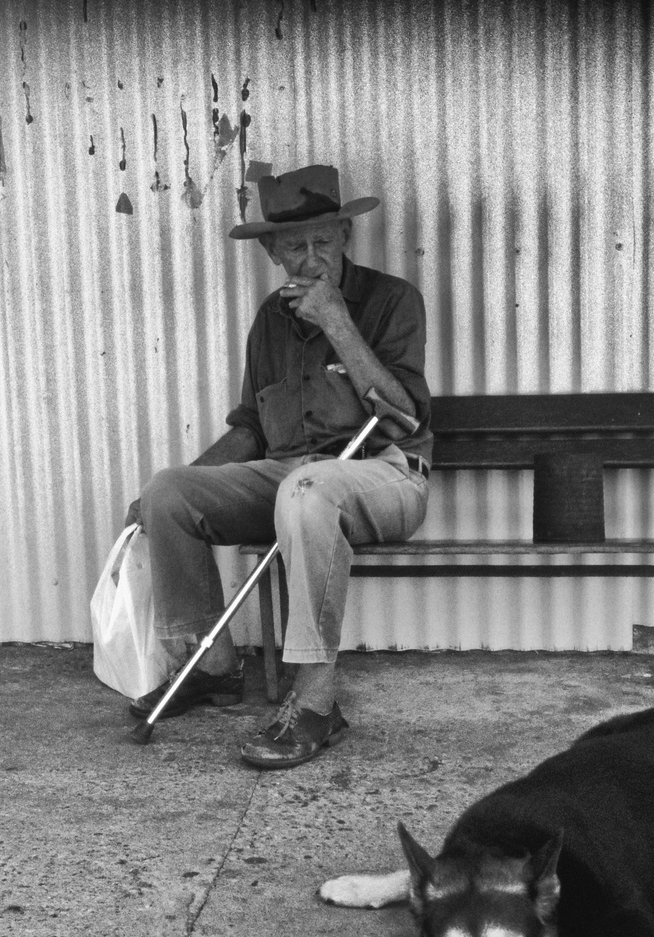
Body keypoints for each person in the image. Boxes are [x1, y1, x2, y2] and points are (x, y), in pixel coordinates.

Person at [125, 164, 433, 770]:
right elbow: (252, 429)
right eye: (295, 245)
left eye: (324, 239)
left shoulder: (393, 299)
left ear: (346, 235)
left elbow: (403, 418)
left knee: (307, 488)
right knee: (168, 492)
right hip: (293, 474)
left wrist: (337, 322)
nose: (311, 256)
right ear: (271, 250)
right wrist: (186, 483)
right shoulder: (270, 318)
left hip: (385, 473)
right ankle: (209, 666)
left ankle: (315, 699)